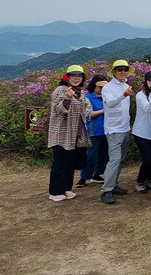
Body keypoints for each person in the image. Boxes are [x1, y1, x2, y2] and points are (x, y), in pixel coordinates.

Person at [48, 65, 92, 201]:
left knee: (70, 163)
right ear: (67, 77)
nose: (76, 78)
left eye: (79, 76)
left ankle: (66, 189)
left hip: (75, 134)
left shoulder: (80, 92)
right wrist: (67, 98)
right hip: (61, 133)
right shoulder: (60, 90)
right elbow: (57, 110)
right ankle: (55, 192)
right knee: (60, 163)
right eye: (73, 76)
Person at [100, 60, 134, 204]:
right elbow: (110, 103)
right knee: (114, 159)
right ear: (114, 72)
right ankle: (106, 190)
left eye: (125, 69)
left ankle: (113, 184)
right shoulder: (107, 88)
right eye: (119, 69)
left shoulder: (126, 85)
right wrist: (123, 95)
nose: (123, 72)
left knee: (121, 159)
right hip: (113, 129)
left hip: (125, 128)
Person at [76, 74, 108, 188]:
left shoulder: (107, 97)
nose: (102, 89)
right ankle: (84, 177)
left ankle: (97, 174)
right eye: (100, 87)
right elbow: (87, 114)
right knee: (90, 155)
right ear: (94, 85)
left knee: (104, 155)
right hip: (93, 131)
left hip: (106, 131)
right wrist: (103, 111)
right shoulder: (88, 97)